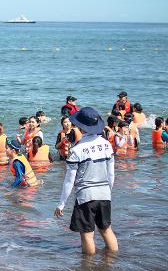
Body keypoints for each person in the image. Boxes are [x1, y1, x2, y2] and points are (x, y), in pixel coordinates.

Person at [54, 107, 118, 255]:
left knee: (87, 235)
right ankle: (113, 261)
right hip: (105, 194)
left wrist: (61, 204)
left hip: (86, 197)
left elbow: (69, 181)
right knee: (106, 230)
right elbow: (111, 175)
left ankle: (88, 265)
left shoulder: (77, 149)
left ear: (80, 126)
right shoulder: (107, 144)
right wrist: (108, 192)